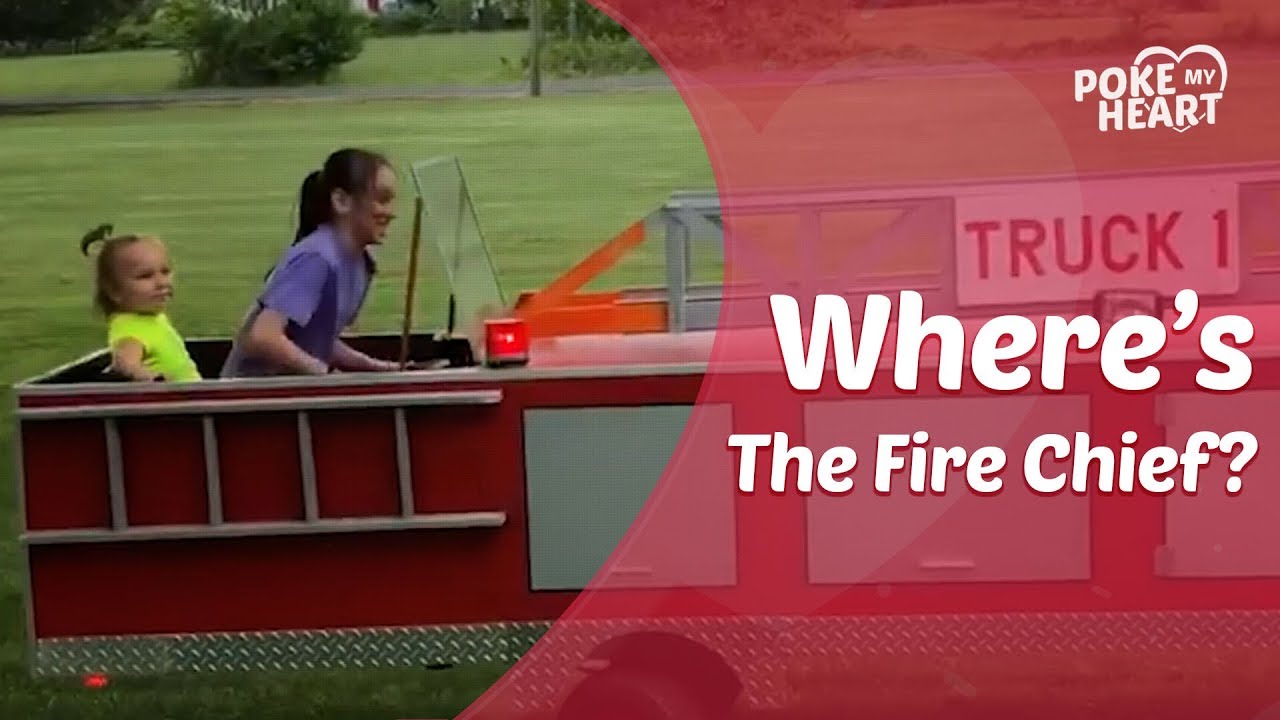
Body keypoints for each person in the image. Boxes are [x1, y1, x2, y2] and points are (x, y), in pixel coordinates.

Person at [221, 148, 405, 378]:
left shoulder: (359, 262)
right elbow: (263, 336)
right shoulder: (317, 257)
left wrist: (374, 367)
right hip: (253, 402)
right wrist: (327, 374)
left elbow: (316, 340)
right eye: (382, 199)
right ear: (341, 201)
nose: (391, 213)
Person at [81, 224, 202, 383]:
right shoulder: (130, 329)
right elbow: (124, 363)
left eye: (165, 272)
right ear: (114, 291)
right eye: (146, 276)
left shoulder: (150, 317)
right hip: (172, 404)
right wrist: (144, 376)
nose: (161, 283)